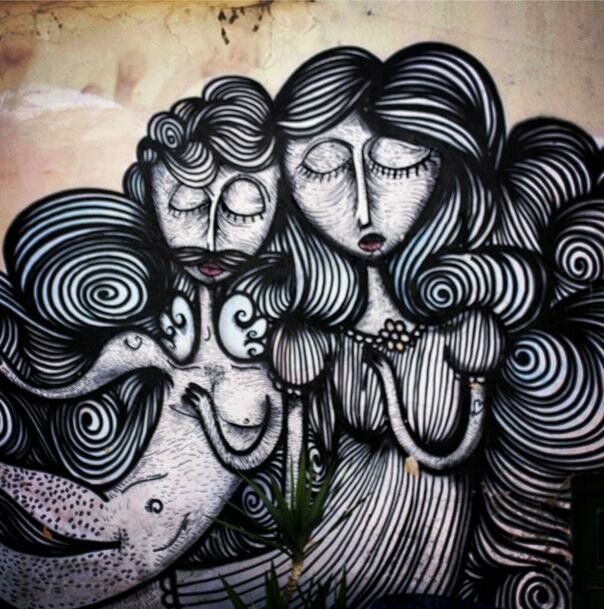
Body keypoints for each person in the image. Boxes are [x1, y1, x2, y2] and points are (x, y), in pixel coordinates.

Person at [166, 43, 599, 609]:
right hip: (332, 541)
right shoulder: (318, 333)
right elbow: (286, 462)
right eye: (324, 167)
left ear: (441, 162)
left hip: (434, 544)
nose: (364, 208)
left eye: (394, 162)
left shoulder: (465, 328)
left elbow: (451, 451)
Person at [0, 75, 286, 609]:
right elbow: (74, 382)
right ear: (152, 198)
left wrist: (212, 422)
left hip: (160, 535)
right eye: (186, 205)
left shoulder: (269, 355)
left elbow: (256, 446)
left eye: (244, 209)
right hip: (130, 515)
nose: (212, 236)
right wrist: (24, 378)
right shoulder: (157, 334)